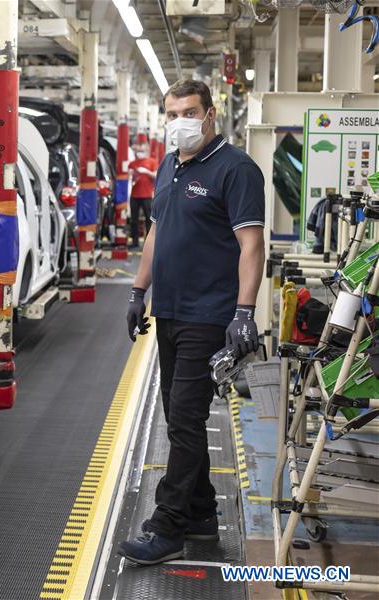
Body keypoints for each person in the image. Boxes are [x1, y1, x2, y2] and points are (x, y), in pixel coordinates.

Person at [119, 79, 265, 565]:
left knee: (184, 418)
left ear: (210, 114)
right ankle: (202, 511)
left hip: (210, 314)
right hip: (171, 311)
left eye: (189, 111)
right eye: (172, 112)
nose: (179, 120)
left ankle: (169, 525)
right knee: (177, 415)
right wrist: (138, 291)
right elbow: (157, 232)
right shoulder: (167, 166)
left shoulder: (237, 169)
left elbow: (251, 246)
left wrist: (244, 312)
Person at [127, 135, 157, 248]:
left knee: (149, 219)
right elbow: (129, 176)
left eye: (142, 145)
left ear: (147, 147)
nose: (140, 148)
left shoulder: (152, 162)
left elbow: (156, 175)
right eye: (138, 146)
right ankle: (134, 242)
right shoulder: (132, 163)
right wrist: (132, 175)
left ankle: (148, 243)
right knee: (133, 220)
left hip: (147, 195)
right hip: (134, 195)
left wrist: (146, 172)